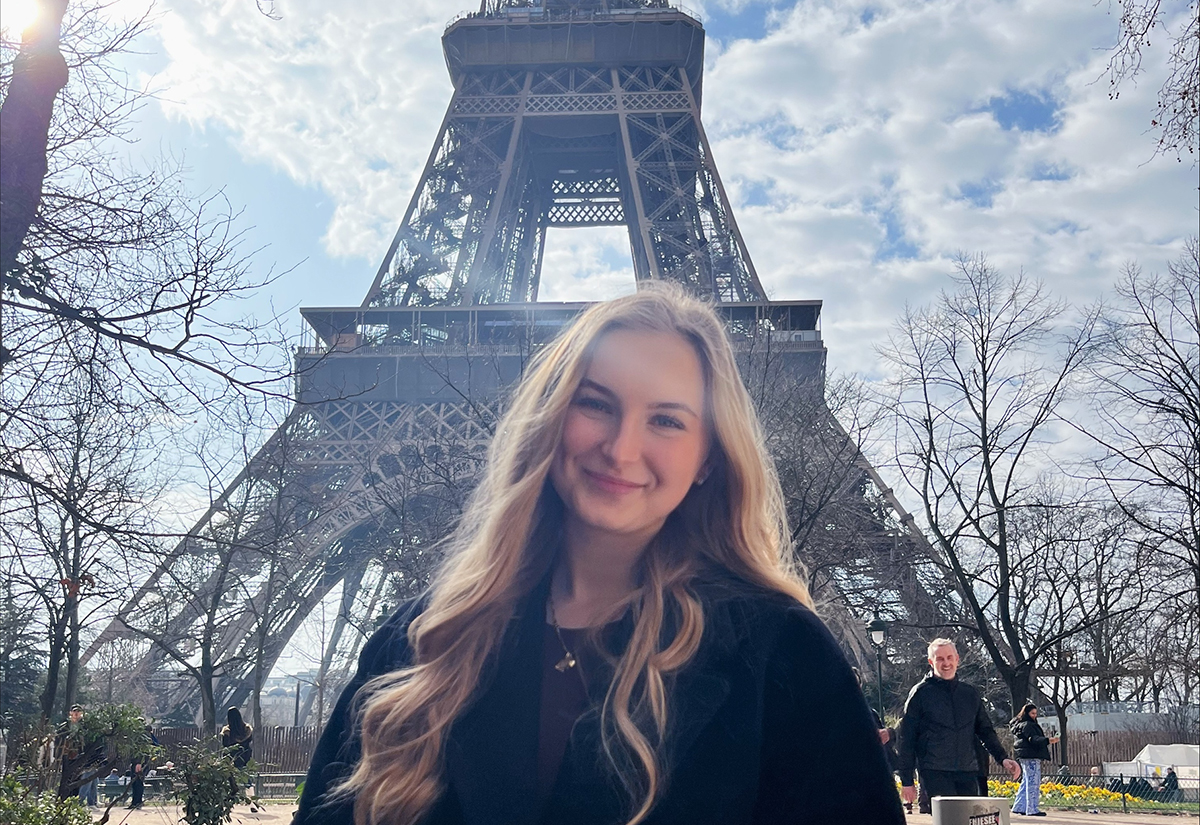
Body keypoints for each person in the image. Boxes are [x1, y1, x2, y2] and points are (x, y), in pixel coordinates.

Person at [294, 286, 906, 825]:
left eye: (666, 420)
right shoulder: (418, 642)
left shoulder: (783, 655)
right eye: (595, 404)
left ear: (709, 459)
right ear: (552, 418)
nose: (621, 448)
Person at [897, 639, 1021, 808]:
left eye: (949, 657)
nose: (946, 663)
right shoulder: (920, 694)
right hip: (935, 771)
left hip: (967, 770)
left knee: (968, 819)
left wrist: (1003, 758)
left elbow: (985, 730)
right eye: (940, 659)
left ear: (957, 659)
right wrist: (907, 780)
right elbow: (907, 738)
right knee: (949, 819)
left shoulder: (969, 694)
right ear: (931, 662)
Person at [1010, 702, 1058, 816]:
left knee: (1026, 781)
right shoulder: (1029, 725)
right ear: (1026, 713)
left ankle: (1019, 806)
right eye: (1032, 713)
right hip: (1032, 755)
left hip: (1024, 755)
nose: (1034, 715)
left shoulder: (1019, 725)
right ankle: (1032, 809)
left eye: (1036, 713)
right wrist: (1048, 740)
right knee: (1033, 783)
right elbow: (1034, 739)